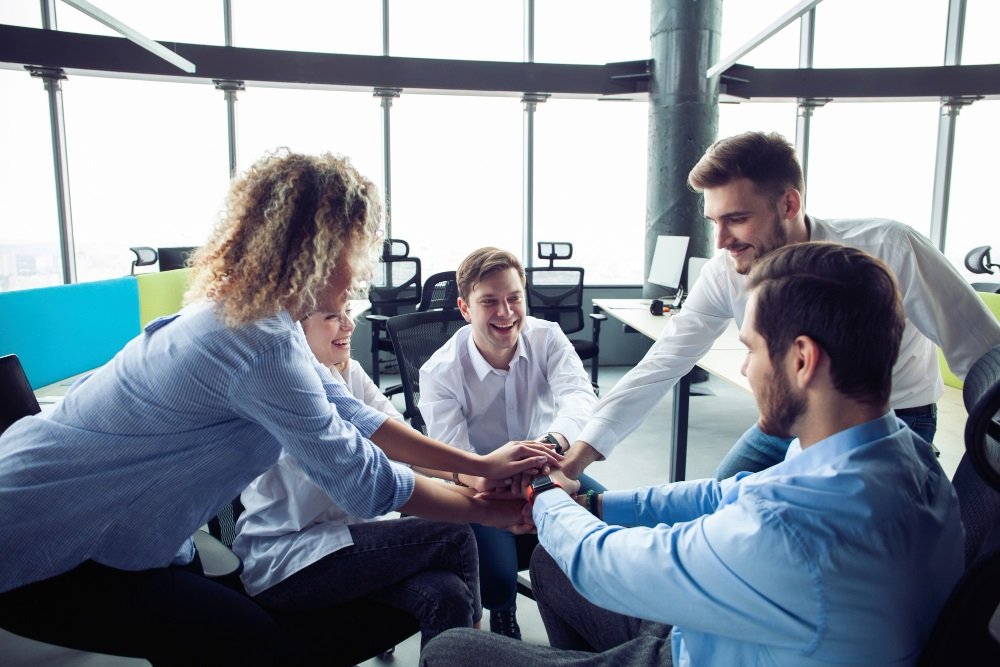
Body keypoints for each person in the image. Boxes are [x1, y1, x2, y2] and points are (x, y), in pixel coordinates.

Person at [0, 150, 558, 666]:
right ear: (317, 249)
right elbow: (362, 479)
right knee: (247, 644)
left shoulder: (263, 321)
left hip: (112, 528)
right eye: (355, 249)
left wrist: (484, 467)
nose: (360, 268)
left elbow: (354, 412)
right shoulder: (255, 341)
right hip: (38, 537)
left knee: (219, 636)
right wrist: (489, 511)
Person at [421, 241, 966, 666]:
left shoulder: (789, 527)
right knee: (550, 561)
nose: (746, 370)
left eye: (750, 350)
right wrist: (594, 507)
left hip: (695, 651)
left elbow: (605, 563)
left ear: (801, 360)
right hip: (752, 626)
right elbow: (722, 493)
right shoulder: (906, 459)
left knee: (450, 652)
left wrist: (540, 490)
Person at [558, 130, 1000, 483]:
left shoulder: (888, 246)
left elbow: (985, 356)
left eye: (736, 218)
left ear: (789, 203)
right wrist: (578, 457)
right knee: (722, 509)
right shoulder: (726, 270)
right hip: (789, 419)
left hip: (892, 423)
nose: (722, 240)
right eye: (715, 221)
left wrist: (985, 475)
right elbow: (661, 364)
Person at [233, 302, 484, 648]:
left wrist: (472, 478)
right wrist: (476, 500)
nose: (350, 324)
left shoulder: (347, 372)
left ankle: (470, 651)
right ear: (296, 328)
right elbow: (372, 479)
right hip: (292, 558)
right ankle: (479, 651)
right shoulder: (287, 395)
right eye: (333, 317)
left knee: (449, 595)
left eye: (348, 311)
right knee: (454, 534)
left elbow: (404, 443)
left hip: (356, 544)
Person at [419, 247, 606, 639]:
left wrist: (550, 444)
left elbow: (580, 398)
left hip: (545, 467)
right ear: (465, 308)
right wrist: (502, 478)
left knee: (607, 523)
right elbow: (459, 460)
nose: (505, 313)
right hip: (481, 484)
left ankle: (586, 618)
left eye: (513, 298)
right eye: (489, 301)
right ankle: (503, 613)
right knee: (500, 580)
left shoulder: (547, 337)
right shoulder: (440, 372)